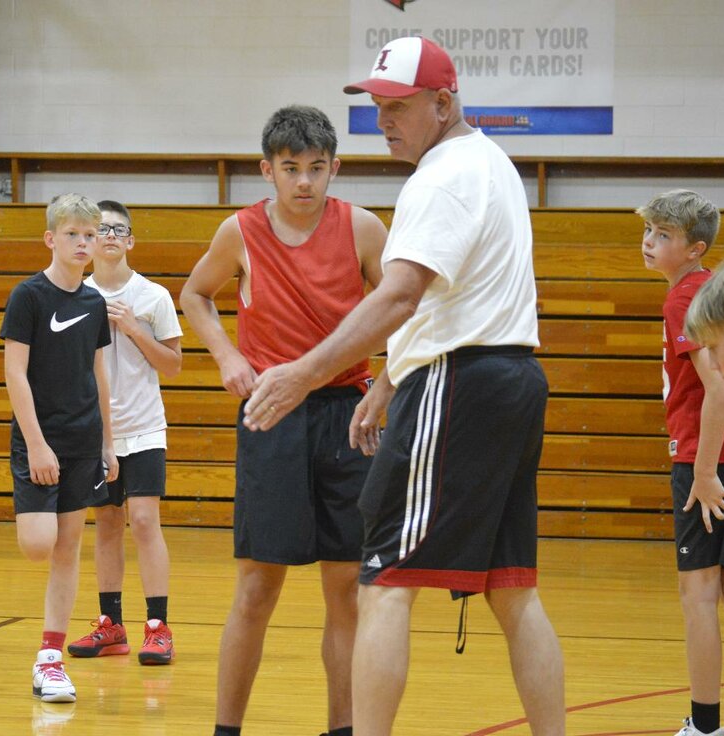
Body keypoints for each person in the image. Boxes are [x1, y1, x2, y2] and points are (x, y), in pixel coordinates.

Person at [242, 37, 565, 735]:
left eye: (397, 107)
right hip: (513, 379)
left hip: (460, 383)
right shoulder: (493, 165)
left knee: (383, 581)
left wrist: (305, 373)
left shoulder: (439, 177)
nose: (382, 120)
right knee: (514, 591)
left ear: (443, 104)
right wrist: (389, 379)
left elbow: (400, 297)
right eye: (377, 107)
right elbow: (456, 299)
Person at [179, 104, 387, 736]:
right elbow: (194, 294)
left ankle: (344, 729)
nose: (304, 182)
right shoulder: (239, 232)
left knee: (346, 588)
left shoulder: (365, 229)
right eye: (291, 168)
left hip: (349, 413)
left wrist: (387, 386)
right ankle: (226, 731)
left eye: (317, 168)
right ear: (267, 170)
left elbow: (403, 310)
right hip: (271, 412)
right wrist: (226, 355)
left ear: (335, 169)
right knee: (256, 589)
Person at [0, 193, 119, 703]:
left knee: (69, 547)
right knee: (38, 545)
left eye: (89, 235)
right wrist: (37, 444)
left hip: (83, 441)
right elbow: (14, 372)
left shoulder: (93, 303)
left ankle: (49, 659)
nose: (82, 243)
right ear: (51, 238)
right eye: (72, 234)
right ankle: (47, 657)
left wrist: (108, 444)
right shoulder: (28, 296)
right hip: (39, 441)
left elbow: (99, 376)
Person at [640, 191, 724, 736]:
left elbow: (719, 391)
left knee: (699, 595)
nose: (649, 242)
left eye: (663, 235)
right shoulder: (716, 292)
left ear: (695, 249)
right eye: (649, 231)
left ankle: (705, 727)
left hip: (710, 461)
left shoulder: (685, 298)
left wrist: (703, 473)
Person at [67, 200, 182, 665]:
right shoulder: (74, 295)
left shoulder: (153, 296)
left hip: (145, 428)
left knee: (145, 521)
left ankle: (158, 627)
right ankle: (111, 625)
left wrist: (135, 330)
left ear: (131, 240)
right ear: (90, 242)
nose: (110, 236)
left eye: (118, 229)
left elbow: (173, 366)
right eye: (101, 230)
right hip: (98, 434)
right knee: (108, 525)